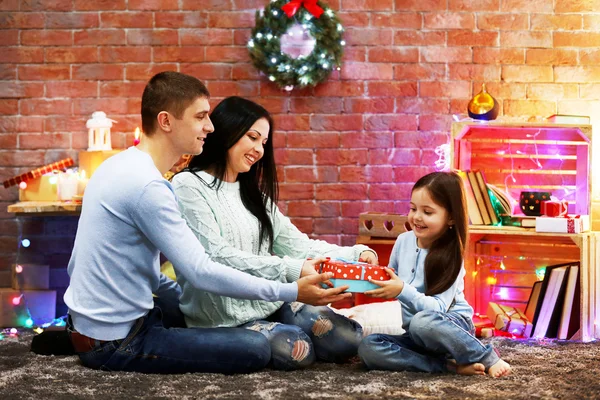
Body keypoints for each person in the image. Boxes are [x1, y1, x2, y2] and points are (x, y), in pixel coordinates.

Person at [63, 72, 351, 375]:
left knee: (190, 298)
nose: (210, 127)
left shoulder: (120, 165)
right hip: (117, 340)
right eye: (201, 117)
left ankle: (80, 337)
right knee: (254, 348)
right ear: (166, 121)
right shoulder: (149, 186)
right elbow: (201, 271)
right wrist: (291, 291)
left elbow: (129, 266)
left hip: (98, 321)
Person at [171, 96, 378, 370]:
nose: (258, 150)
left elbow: (299, 246)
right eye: (253, 137)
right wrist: (293, 270)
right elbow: (216, 257)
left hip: (271, 303)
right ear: (227, 131)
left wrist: (358, 253)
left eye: (264, 143)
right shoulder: (188, 185)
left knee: (348, 338)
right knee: (297, 349)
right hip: (221, 319)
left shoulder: (256, 197)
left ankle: (296, 330)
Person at [357, 171, 512, 378]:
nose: (416, 217)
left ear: (450, 218)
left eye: (427, 212)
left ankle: (487, 357)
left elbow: (437, 308)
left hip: (449, 326)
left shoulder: (452, 255)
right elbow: (391, 278)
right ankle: (447, 366)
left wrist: (402, 290)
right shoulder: (403, 241)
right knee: (368, 347)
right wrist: (369, 278)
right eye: (413, 209)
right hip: (415, 334)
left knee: (423, 322)